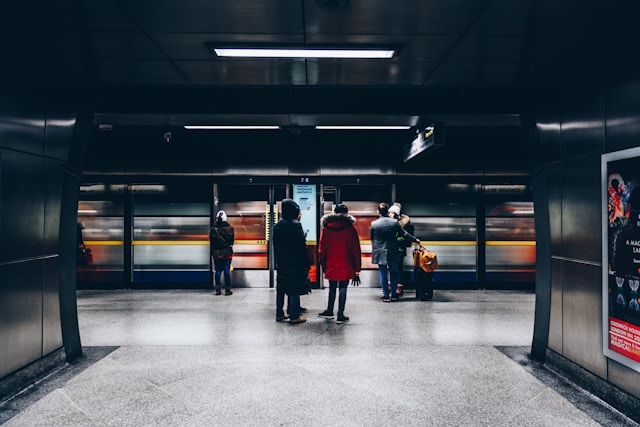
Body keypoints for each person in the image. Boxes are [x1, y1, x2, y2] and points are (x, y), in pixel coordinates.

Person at [317, 204, 362, 323]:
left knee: (332, 288)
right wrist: (357, 270)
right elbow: (356, 249)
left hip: (331, 262)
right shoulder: (351, 229)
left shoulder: (326, 228)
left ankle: (329, 311)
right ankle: (340, 314)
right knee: (343, 287)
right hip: (346, 263)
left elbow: (322, 249)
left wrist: (323, 265)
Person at [370, 202, 419, 302]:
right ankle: (393, 294)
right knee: (394, 273)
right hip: (393, 250)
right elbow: (404, 234)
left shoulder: (374, 224)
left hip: (380, 251)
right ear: (387, 211)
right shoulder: (394, 223)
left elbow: (372, 238)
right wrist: (415, 239)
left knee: (383, 273)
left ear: (378, 212)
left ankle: (386, 295)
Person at [273, 199, 311, 324]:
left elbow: (276, 244)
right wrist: (306, 262)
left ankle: (279, 313)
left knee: (281, 288)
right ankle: (294, 316)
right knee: (294, 289)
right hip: (294, 263)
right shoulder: (295, 225)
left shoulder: (277, 225)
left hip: (282, 262)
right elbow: (301, 247)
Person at [389, 202, 414, 297]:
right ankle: (394, 285)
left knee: (398, 269)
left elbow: (406, 238)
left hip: (399, 249)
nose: (389, 214)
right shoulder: (392, 223)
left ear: (395, 214)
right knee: (393, 269)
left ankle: (399, 286)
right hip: (393, 249)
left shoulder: (403, 225)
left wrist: (394, 239)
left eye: (391, 213)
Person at [210, 210, 235, 296]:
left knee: (218, 271)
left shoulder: (213, 230)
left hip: (216, 254)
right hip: (227, 253)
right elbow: (231, 242)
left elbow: (212, 242)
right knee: (226, 270)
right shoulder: (230, 229)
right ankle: (227, 290)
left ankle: (218, 289)